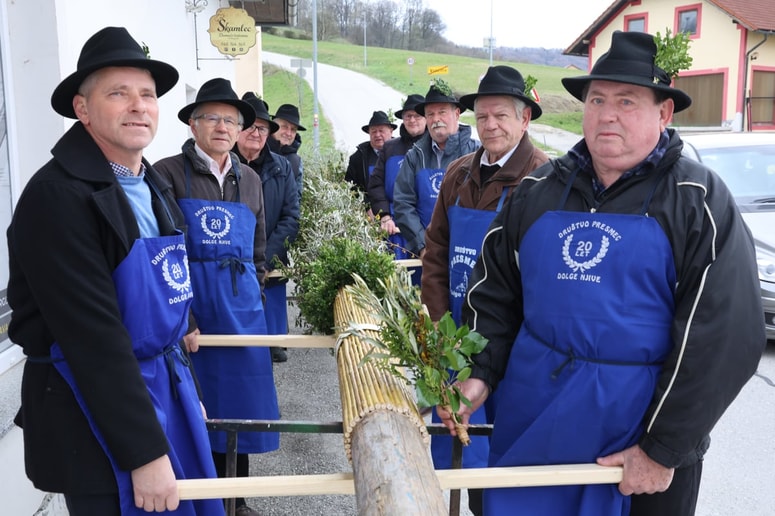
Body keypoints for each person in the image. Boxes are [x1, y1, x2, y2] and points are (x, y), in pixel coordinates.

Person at [438, 30, 766, 516]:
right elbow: (494, 296)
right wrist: (478, 374)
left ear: (664, 113)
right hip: (533, 427)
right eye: (597, 100)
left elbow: (726, 337)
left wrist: (663, 448)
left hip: (635, 450)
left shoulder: (698, 202)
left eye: (626, 101)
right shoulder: (537, 192)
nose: (607, 114)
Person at [6, 27, 223, 515]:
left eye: (147, 94)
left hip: (163, 390)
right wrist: (143, 452)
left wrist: (186, 386)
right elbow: (92, 339)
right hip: (97, 416)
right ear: (82, 109)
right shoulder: (57, 198)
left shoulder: (150, 182)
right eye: (118, 94)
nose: (139, 106)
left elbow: (165, 284)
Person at [421, 65, 549, 516]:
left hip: (512, 345)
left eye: (500, 115)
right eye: (482, 116)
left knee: (507, 454)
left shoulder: (542, 179)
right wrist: (441, 326)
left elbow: (541, 277)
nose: (490, 125)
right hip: (456, 334)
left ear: (524, 119)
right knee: (461, 448)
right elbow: (436, 252)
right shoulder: (458, 174)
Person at [154, 78, 279, 516]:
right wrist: (182, 316)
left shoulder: (251, 179)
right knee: (194, 408)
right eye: (212, 118)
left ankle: (236, 500)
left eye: (231, 120)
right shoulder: (167, 173)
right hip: (193, 313)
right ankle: (202, 501)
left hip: (242, 313)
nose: (223, 127)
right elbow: (162, 252)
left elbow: (258, 250)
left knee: (240, 411)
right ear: (193, 124)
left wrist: (254, 291)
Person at [234, 92, 300, 364]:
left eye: (262, 128)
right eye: (250, 126)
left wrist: (267, 256)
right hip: (233, 261)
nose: (256, 133)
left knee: (272, 346)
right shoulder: (224, 164)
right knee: (238, 343)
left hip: (271, 260)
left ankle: (273, 341)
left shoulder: (282, 167)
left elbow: (291, 216)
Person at [393, 80, 479, 260]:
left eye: (442, 112)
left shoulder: (477, 154)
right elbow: (403, 203)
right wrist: (423, 245)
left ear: (457, 114)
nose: (436, 119)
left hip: (468, 253)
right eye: (430, 114)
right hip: (426, 255)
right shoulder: (415, 156)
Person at [367, 94, 427, 260]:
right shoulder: (390, 148)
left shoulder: (435, 148)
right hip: (396, 227)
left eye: (417, 115)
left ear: (426, 118)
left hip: (428, 226)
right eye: (408, 116)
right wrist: (384, 215)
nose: (412, 120)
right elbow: (376, 185)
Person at [345, 110, 396, 216]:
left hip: (400, 211)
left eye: (381, 131)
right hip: (372, 215)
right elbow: (350, 186)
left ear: (391, 131)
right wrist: (366, 207)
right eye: (373, 131)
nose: (377, 135)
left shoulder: (402, 152)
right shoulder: (358, 158)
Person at [268, 103, 305, 197]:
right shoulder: (259, 149)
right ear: (274, 126)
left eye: (293, 129)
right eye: (284, 127)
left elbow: (296, 198)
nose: (288, 133)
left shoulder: (296, 162)